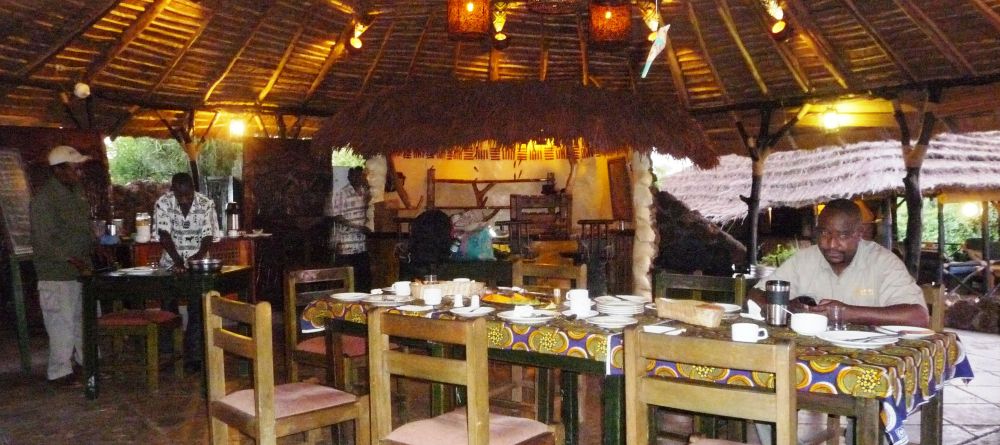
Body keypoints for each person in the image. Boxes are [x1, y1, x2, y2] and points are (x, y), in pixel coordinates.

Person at [749, 199, 929, 327]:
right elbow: (755, 295)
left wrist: (847, 313)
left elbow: (918, 317)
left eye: (843, 235)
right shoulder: (804, 259)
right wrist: (786, 307)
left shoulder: (882, 261)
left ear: (860, 234)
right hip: (814, 355)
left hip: (872, 360)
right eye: (824, 233)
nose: (831, 244)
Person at [29, 145, 96, 386]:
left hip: (80, 271)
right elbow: (44, 241)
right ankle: (60, 373)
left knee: (82, 321)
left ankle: (85, 365)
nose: (80, 172)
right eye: (75, 167)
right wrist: (73, 259)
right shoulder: (44, 199)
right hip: (56, 274)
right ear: (59, 170)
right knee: (61, 325)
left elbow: (82, 229)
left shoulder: (76, 192)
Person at [153, 172, 218, 370]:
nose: (184, 199)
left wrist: (197, 257)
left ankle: (194, 358)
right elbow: (164, 234)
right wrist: (178, 261)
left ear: (192, 189)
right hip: (170, 264)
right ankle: (168, 355)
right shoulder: (162, 203)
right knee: (167, 309)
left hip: (198, 265)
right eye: (179, 195)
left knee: (197, 309)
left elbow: (208, 235)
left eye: (188, 195)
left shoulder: (206, 204)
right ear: (173, 190)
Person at [326, 166, 372, 291]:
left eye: (361, 175)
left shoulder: (365, 192)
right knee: (347, 282)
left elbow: (367, 211)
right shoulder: (342, 193)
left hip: (361, 245)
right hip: (346, 246)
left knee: (363, 280)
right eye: (356, 176)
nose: (359, 178)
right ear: (349, 177)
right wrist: (357, 227)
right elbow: (337, 217)